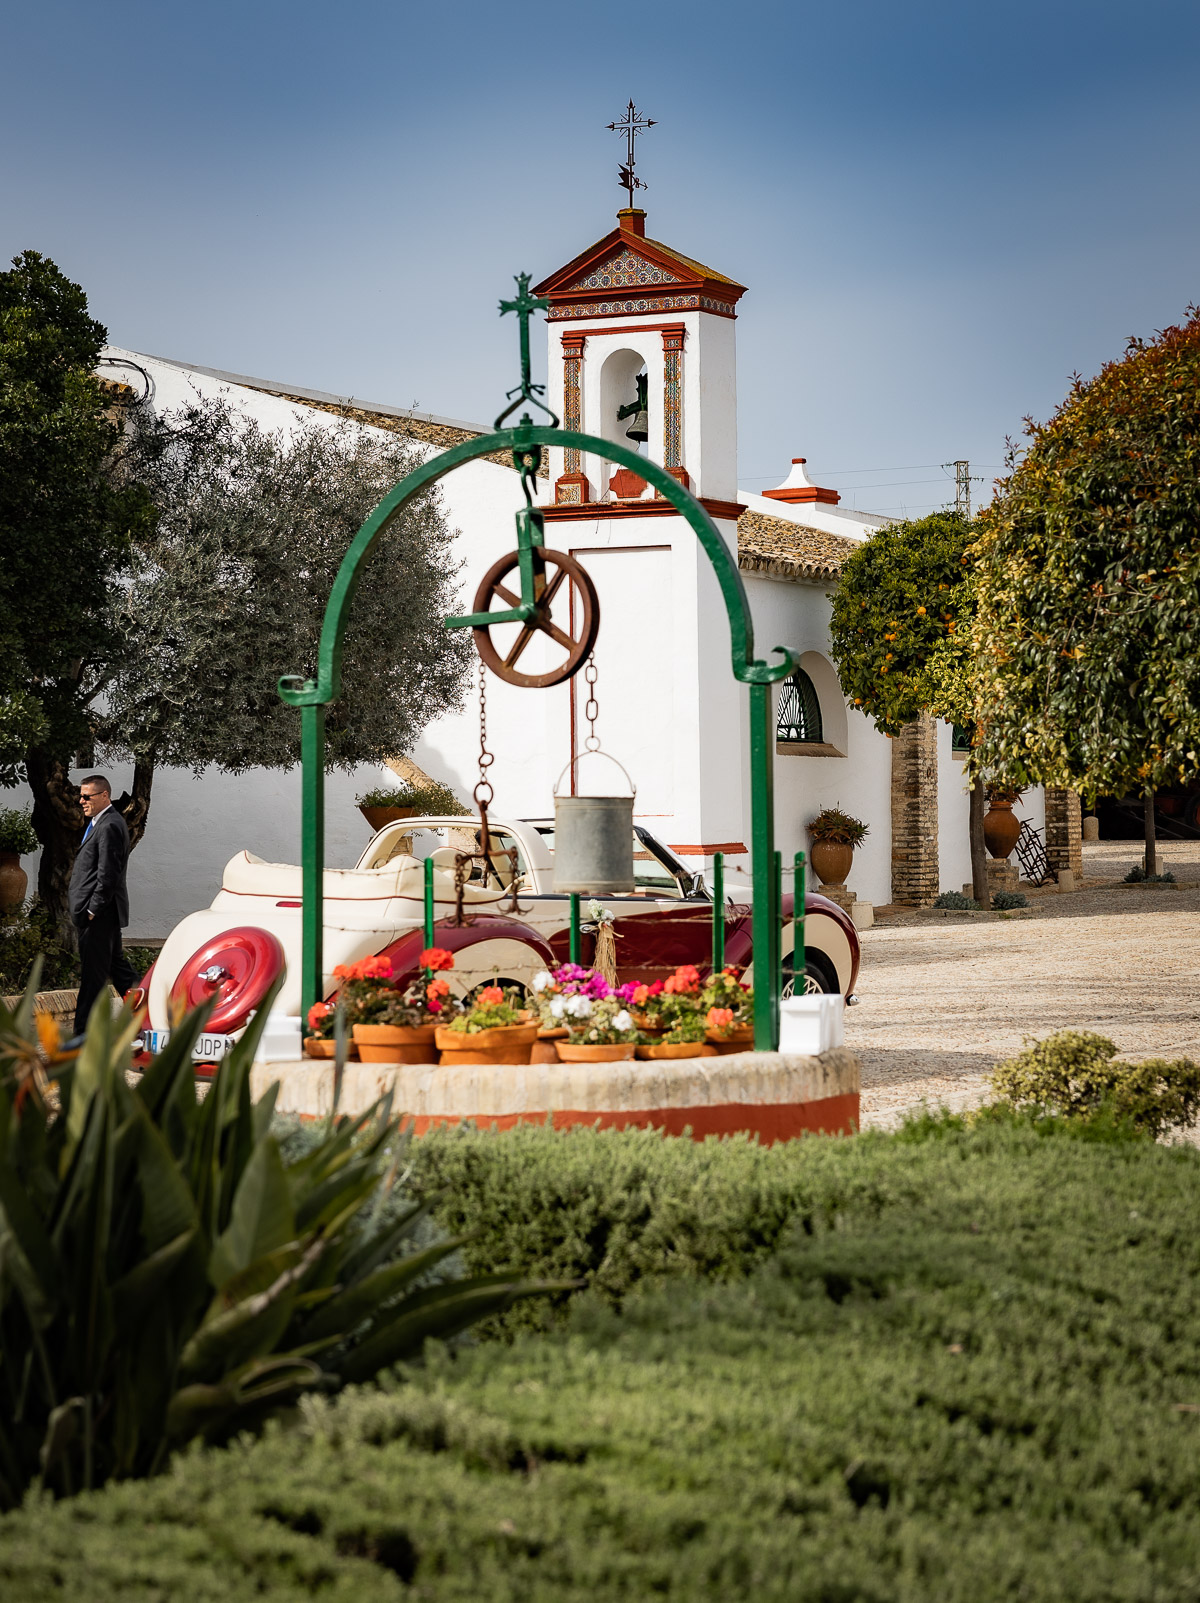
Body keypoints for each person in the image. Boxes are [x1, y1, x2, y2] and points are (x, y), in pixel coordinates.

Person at [69, 775, 136, 1036]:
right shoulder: (100, 822)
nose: (81, 801)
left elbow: (108, 872)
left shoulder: (109, 825)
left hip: (100, 915)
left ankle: (82, 1037)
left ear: (104, 796)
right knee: (118, 971)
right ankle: (152, 1010)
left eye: (87, 796)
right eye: (81, 795)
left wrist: (92, 909)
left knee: (93, 978)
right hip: (100, 913)